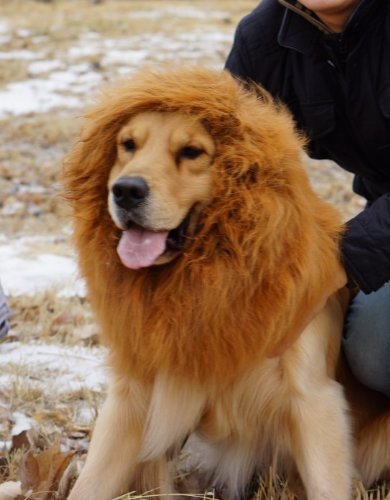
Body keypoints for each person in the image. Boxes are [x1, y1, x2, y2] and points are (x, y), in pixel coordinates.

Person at [225, 0, 390, 397]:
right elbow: (226, 164)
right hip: (383, 216)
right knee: (374, 349)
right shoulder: (262, 39)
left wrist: (337, 262)